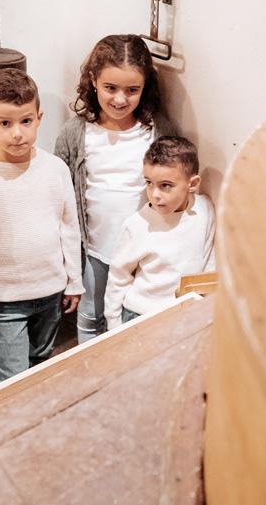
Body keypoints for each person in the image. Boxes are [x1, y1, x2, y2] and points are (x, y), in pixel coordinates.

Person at [0, 68, 83, 384]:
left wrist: (74, 280)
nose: (17, 133)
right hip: (4, 300)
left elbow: (69, 226)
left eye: (25, 121)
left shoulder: (55, 169)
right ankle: (2, 428)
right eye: (5, 123)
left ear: (39, 118)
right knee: (12, 376)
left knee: (40, 361)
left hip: (51, 291)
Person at [54, 34, 176, 344]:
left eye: (132, 90)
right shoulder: (75, 133)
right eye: (111, 88)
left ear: (144, 87)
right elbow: (60, 192)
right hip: (95, 248)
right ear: (93, 81)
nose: (120, 99)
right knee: (91, 313)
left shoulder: (156, 131)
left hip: (142, 251)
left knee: (130, 313)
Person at [103, 136, 215, 329]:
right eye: (148, 183)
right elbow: (118, 277)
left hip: (183, 313)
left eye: (165, 185)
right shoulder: (136, 225)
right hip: (140, 315)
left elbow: (209, 259)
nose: (155, 194)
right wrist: (114, 325)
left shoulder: (205, 209)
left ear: (193, 183)